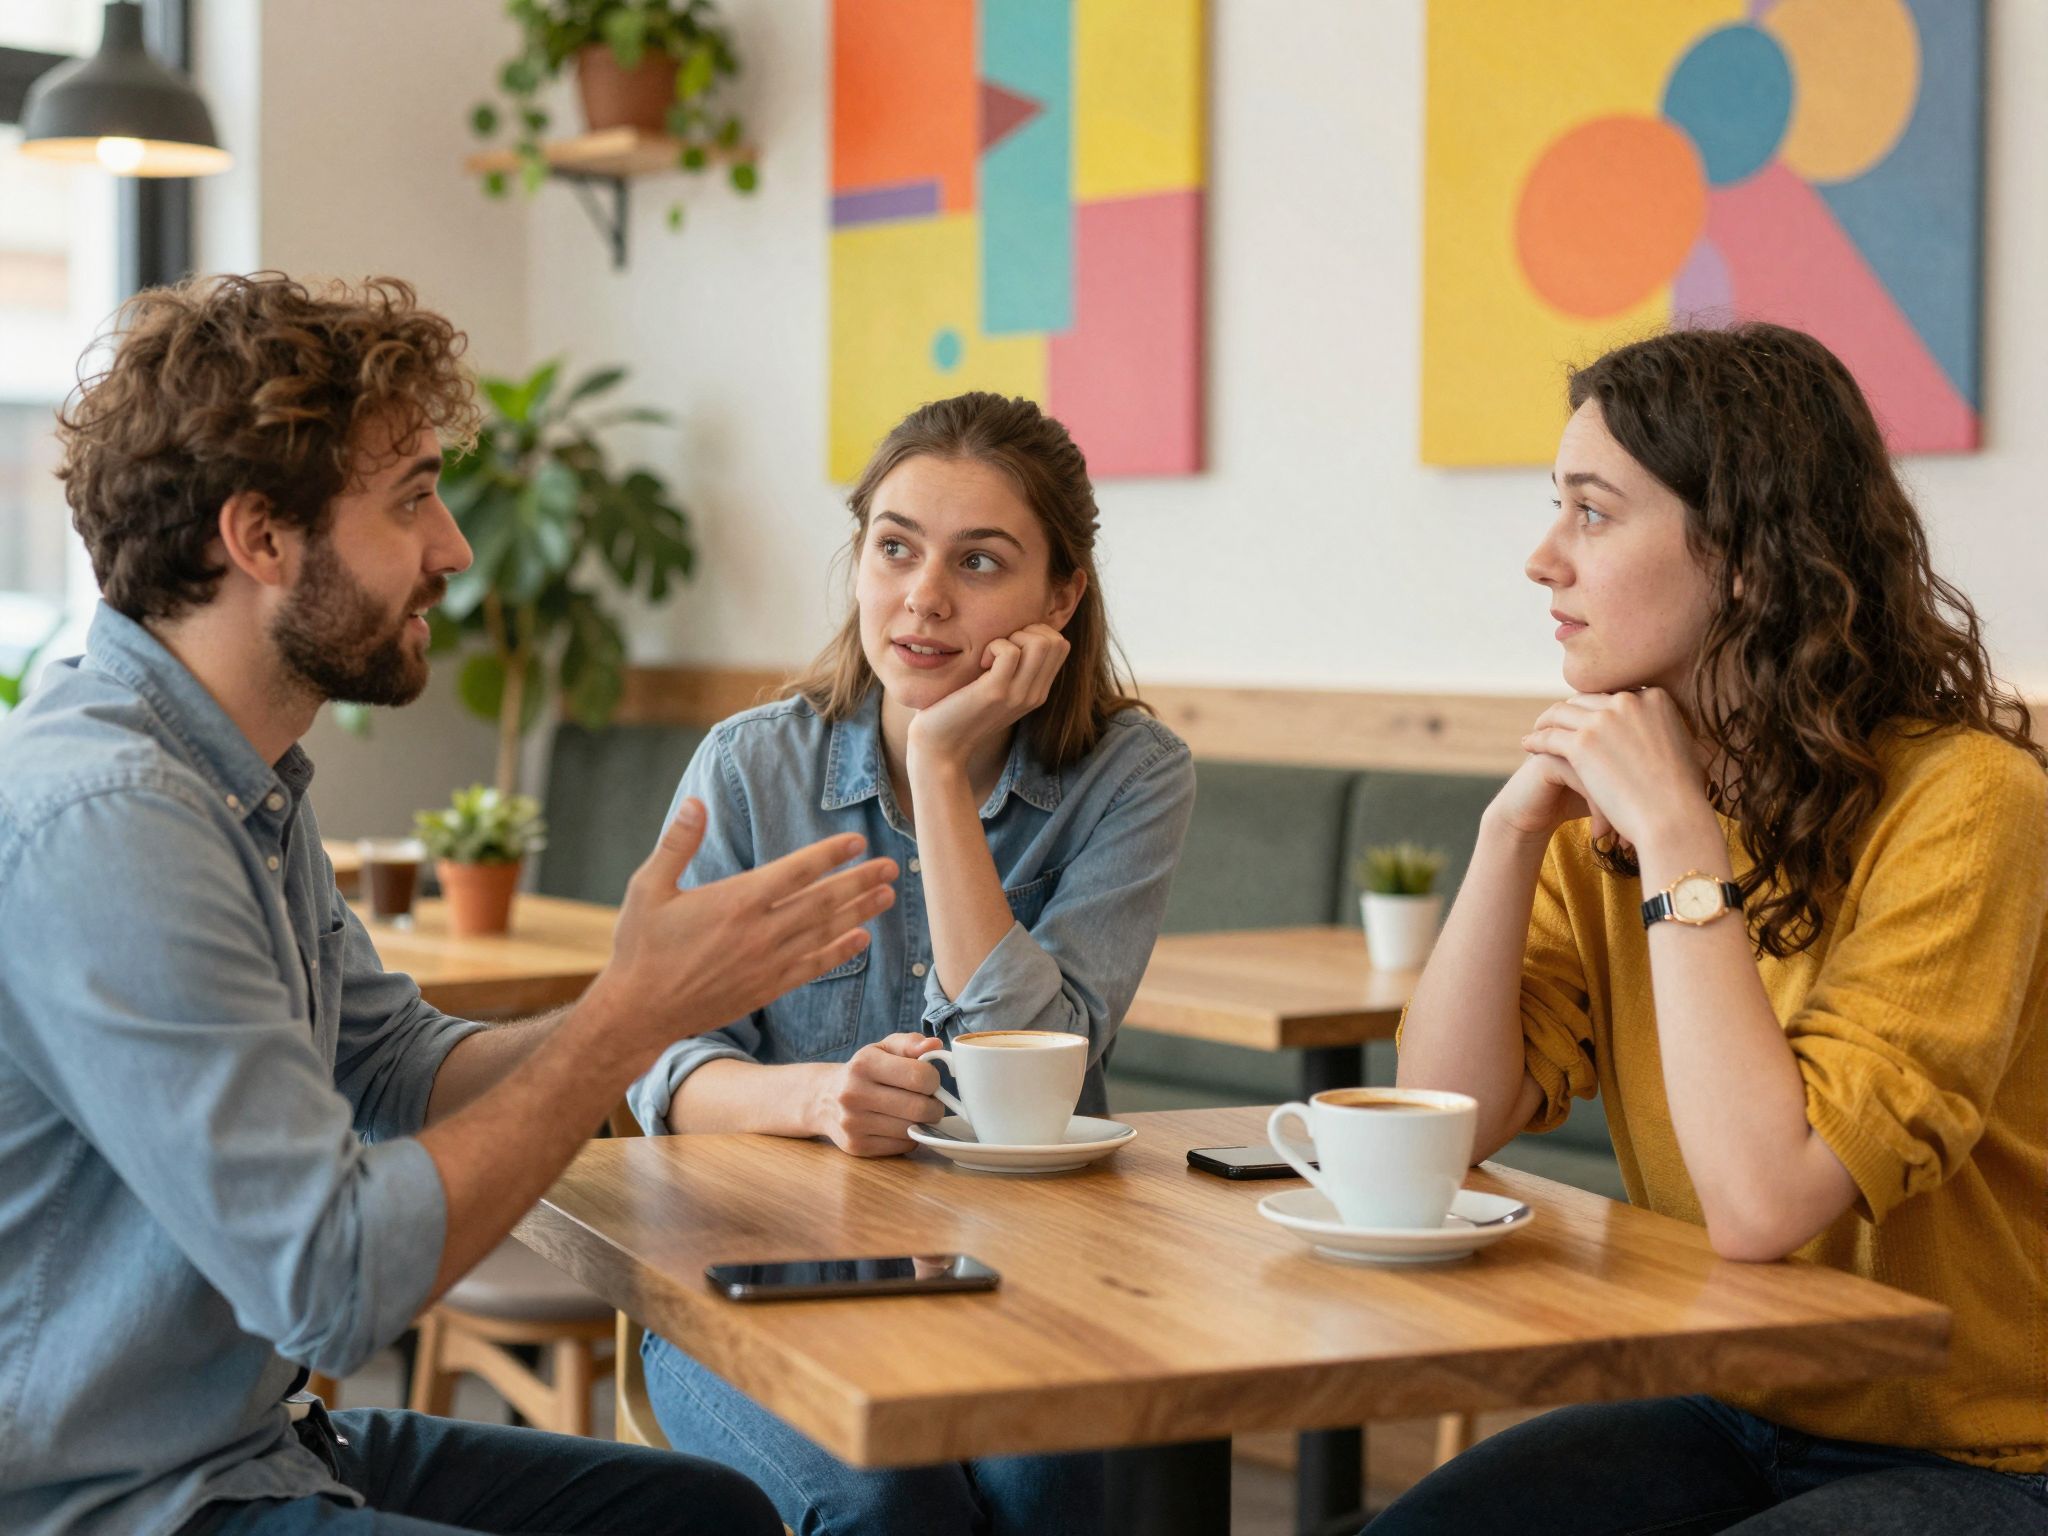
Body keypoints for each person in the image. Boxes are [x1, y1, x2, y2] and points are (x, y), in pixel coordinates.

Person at [0, 272, 899, 1536]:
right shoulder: (111, 817)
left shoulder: (235, 779)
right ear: (259, 537)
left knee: (705, 1522)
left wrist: (643, 1008)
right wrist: (624, 1019)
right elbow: (333, 1281)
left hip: (249, 1449)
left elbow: (402, 1062)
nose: (454, 550)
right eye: (413, 500)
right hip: (114, 1504)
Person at [1378, 323, 2048, 1533]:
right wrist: (1506, 834)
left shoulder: (1971, 803)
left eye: (1590, 512)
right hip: (1724, 1401)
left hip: (1988, 1451)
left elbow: (1763, 1201)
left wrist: (1681, 845)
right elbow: (1446, 1120)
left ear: (1743, 556)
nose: (1542, 560)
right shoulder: (1614, 795)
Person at [624, 391, 1197, 1536]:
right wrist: (818, 1098)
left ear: (1061, 594)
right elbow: (658, 1062)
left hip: (1029, 1281)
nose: (922, 597)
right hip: (751, 1281)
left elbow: (1040, 1063)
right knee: (894, 1510)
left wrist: (936, 771)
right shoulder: (749, 769)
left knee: (1046, 1499)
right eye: (894, 548)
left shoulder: (1128, 777)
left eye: (979, 561)